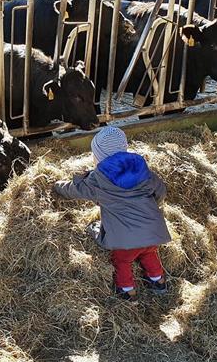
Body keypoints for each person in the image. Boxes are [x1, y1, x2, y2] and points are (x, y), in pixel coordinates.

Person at [53, 126, 171, 301]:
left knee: (122, 261)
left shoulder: (98, 180)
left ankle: (127, 290)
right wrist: (151, 207)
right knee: (148, 252)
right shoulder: (142, 170)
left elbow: (75, 189)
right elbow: (161, 191)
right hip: (153, 233)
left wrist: (56, 186)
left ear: (98, 155)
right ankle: (158, 281)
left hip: (124, 241)